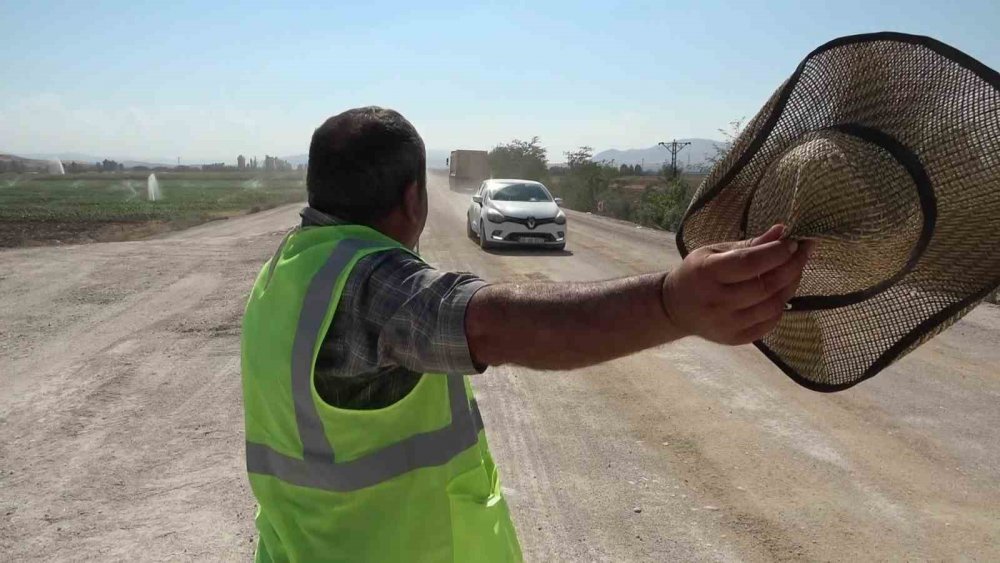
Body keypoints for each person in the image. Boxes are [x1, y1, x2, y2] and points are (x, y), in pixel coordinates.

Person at [240, 107, 811, 562]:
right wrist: (672, 303)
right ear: (414, 198)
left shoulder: (289, 270)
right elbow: (489, 321)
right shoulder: (372, 282)